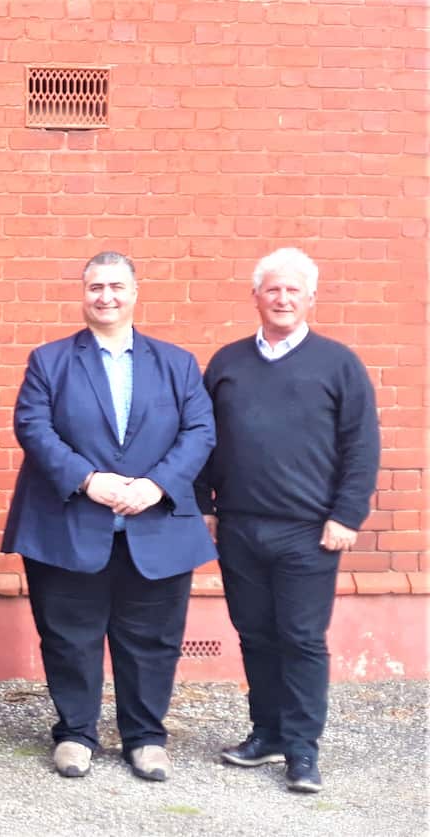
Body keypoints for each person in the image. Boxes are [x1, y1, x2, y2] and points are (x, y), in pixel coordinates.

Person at [1, 252, 215, 783]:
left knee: (153, 638)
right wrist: (87, 479)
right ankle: (75, 733)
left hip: (156, 525)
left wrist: (156, 484)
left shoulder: (177, 363)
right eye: (95, 287)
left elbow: (200, 432)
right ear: (84, 293)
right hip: (70, 525)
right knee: (69, 636)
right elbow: (33, 426)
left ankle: (145, 738)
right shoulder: (50, 360)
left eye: (116, 286)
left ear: (135, 292)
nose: (106, 296)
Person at [197, 248, 379, 794]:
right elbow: (204, 439)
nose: (282, 299)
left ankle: (302, 750)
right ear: (255, 297)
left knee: (300, 639)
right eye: (273, 290)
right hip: (239, 526)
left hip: (309, 531)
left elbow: (361, 446)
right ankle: (267, 733)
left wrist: (346, 514)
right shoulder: (227, 362)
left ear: (310, 299)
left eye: (293, 291)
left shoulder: (339, 364)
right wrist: (204, 505)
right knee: (254, 635)